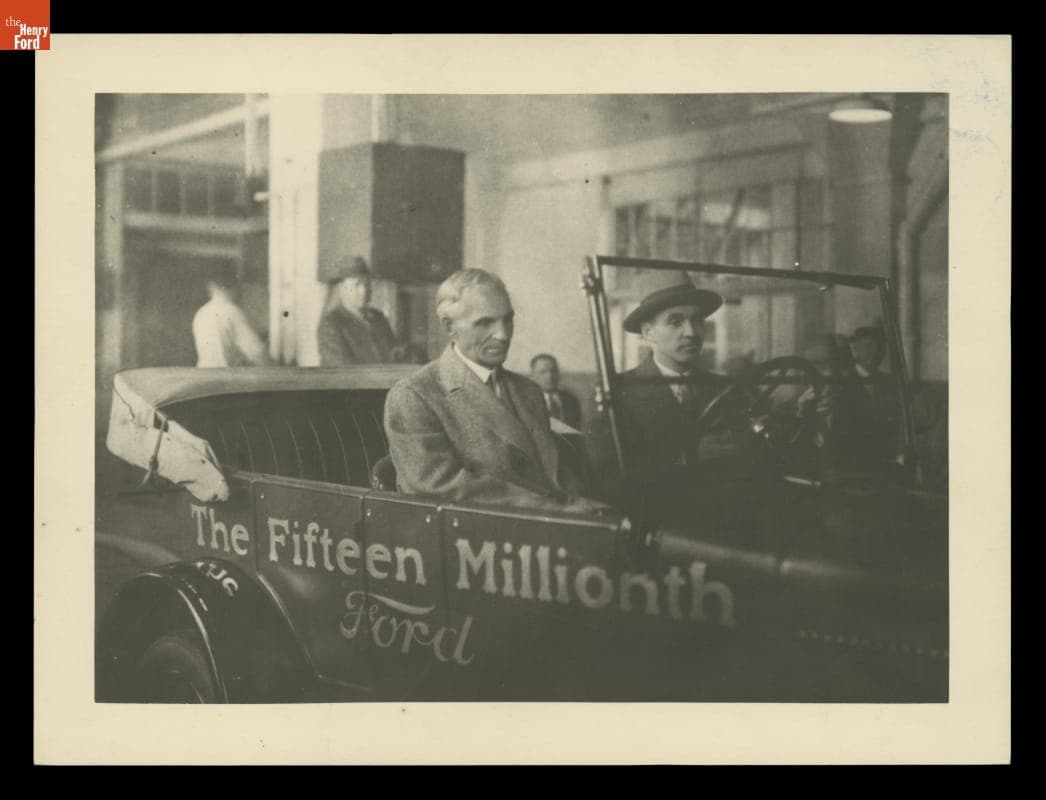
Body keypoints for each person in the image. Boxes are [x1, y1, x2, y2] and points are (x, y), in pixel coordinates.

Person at [384, 269, 608, 514]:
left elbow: (552, 472)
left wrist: (582, 504)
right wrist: (553, 509)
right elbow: (438, 485)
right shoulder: (415, 395)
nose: (502, 335)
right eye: (485, 323)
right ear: (449, 326)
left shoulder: (528, 391)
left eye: (507, 319)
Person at [613, 272, 725, 475]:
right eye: (675, 322)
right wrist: (689, 458)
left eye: (697, 320)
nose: (691, 332)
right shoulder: (617, 393)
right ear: (648, 332)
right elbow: (613, 480)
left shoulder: (723, 389)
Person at [317, 256, 402, 365]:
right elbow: (343, 371)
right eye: (357, 285)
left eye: (367, 284)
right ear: (342, 288)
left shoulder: (379, 319)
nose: (364, 290)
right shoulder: (330, 324)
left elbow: (395, 356)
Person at [192, 261, 269, 367]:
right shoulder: (231, 312)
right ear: (233, 285)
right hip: (225, 378)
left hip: (202, 377)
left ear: (211, 287)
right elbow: (257, 353)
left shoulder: (201, 314)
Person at [529, 353, 583, 430]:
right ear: (532, 376)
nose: (549, 376)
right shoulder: (527, 403)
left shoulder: (571, 400)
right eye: (543, 372)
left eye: (553, 370)